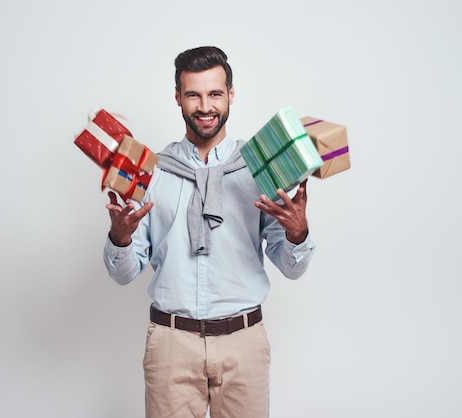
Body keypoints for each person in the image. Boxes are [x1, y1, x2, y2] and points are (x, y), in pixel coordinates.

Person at [103, 46, 315, 418]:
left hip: (244, 344)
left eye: (215, 93)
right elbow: (124, 273)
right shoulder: (151, 171)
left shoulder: (261, 167)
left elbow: (292, 267)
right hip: (171, 345)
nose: (205, 106)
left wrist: (298, 233)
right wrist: (119, 238)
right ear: (178, 98)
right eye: (194, 95)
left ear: (231, 95)